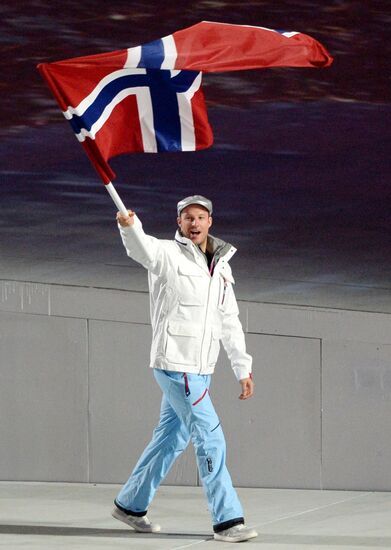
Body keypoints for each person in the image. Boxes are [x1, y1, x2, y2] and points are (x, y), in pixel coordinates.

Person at [112, 195, 258, 543]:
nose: (194, 223)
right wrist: (129, 227)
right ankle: (227, 521)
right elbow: (141, 248)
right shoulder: (167, 254)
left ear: (210, 221)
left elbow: (229, 320)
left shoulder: (221, 265)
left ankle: (130, 505)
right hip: (176, 364)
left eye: (200, 217)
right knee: (210, 437)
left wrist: (242, 367)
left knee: (170, 439)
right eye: (187, 217)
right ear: (179, 223)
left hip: (201, 367)